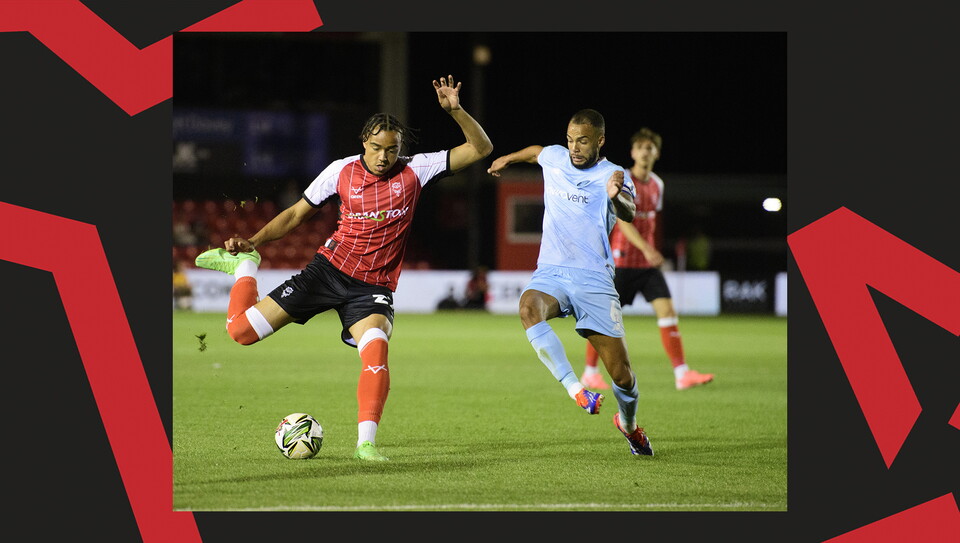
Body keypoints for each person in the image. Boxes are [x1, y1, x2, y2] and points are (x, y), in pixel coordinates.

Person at [193, 75, 492, 462]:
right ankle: (246, 267)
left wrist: (456, 112)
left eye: (391, 149)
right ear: (363, 143)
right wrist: (254, 243)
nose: (384, 156)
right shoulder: (341, 171)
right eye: (376, 148)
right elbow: (297, 214)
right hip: (328, 271)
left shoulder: (417, 169)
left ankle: (365, 444)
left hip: (372, 289)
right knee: (241, 332)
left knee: (376, 351)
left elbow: (481, 148)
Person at [487, 109, 653, 456]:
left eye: (583, 141)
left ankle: (629, 425)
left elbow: (628, 212)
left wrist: (615, 196)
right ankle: (577, 389)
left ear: (600, 141)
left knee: (622, 375)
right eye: (570, 139)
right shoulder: (555, 157)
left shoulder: (615, 174)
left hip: (594, 279)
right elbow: (536, 151)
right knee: (528, 308)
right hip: (552, 271)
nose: (574, 148)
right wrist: (508, 157)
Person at [580, 128, 714, 391]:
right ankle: (589, 372)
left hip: (646, 266)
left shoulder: (657, 184)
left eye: (649, 148)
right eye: (640, 147)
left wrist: (650, 251)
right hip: (621, 262)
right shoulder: (622, 180)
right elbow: (623, 220)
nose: (645, 152)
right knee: (604, 319)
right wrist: (647, 249)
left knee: (667, 312)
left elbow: (649, 223)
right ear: (632, 152)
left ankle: (681, 374)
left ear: (656, 154)